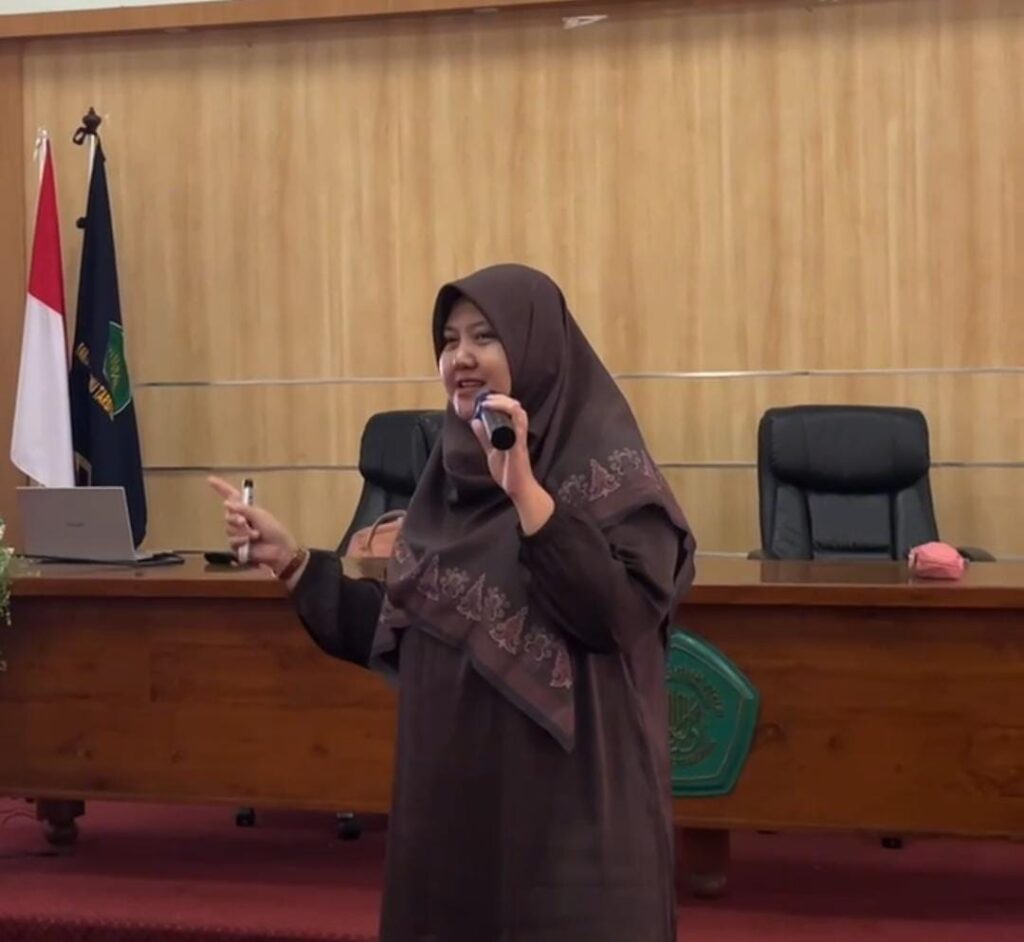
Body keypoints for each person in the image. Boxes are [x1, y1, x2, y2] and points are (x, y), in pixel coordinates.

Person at [209, 263, 696, 942]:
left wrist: (526, 491)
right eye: (448, 341)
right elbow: (410, 628)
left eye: (484, 337)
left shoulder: (614, 480)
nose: (461, 357)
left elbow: (611, 617)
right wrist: (292, 562)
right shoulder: (447, 484)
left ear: (537, 350)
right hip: (452, 818)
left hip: (569, 824)